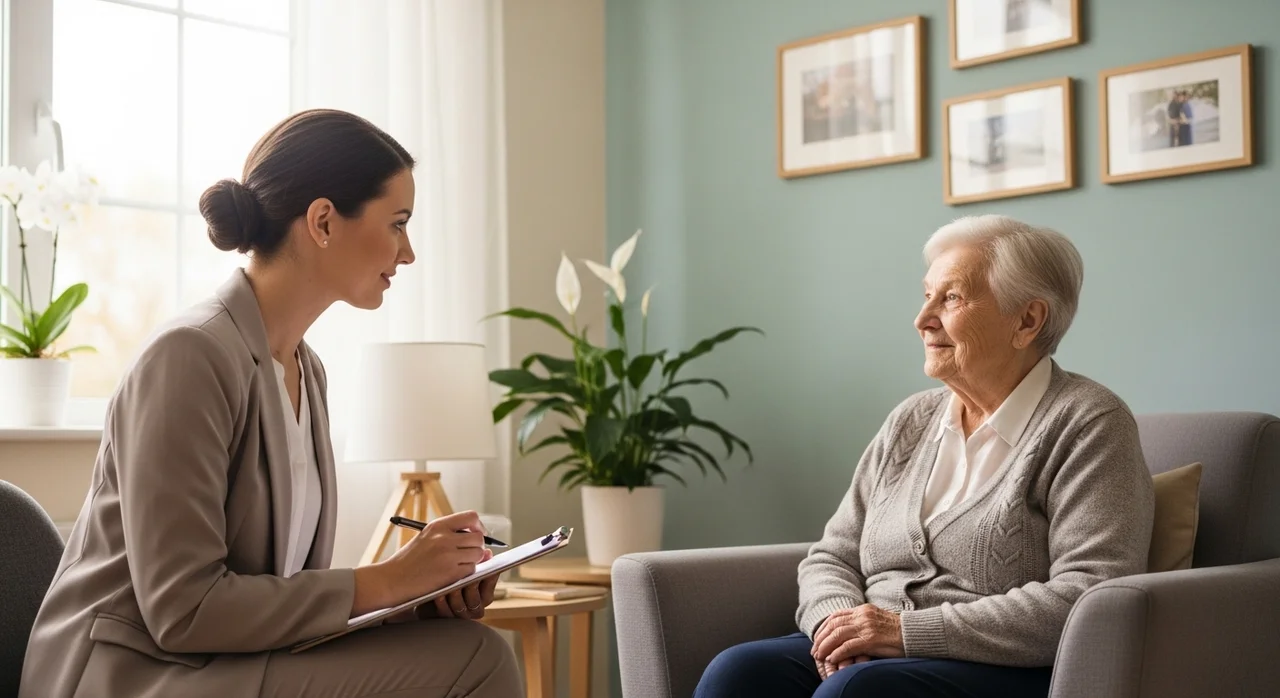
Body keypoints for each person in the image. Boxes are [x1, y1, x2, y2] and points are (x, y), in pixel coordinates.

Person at [19, 109, 522, 698]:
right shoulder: (189, 357)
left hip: (221, 665)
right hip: (131, 675)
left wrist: (413, 597)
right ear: (324, 221)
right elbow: (183, 609)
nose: (407, 253)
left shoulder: (308, 373)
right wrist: (386, 579)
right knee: (477, 662)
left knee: (464, 648)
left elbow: (281, 602)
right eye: (397, 223)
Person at [695, 215, 1155, 698]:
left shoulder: (1089, 422)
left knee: (854, 693)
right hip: (873, 656)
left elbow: (1092, 593)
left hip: (1000, 667)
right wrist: (839, 627)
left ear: (1027, 320)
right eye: (927, 295)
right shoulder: (911, 419)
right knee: (738, 671)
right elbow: (833, 554)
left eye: (951, 298)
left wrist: (904, 632)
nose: (923, 318)